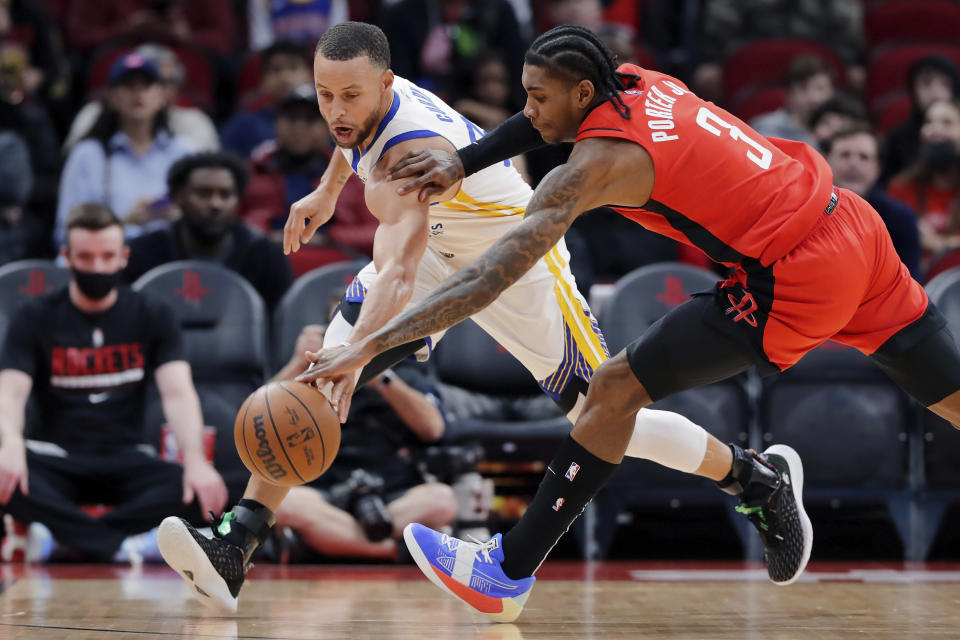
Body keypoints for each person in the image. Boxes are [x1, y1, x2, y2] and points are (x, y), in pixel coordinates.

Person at [300, 24, 960, 622]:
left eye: (538, 97)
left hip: (794, 273)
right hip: (851, 224)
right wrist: (464, 162)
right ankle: (758, 480)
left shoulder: (597, 166)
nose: (526, 111)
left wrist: (369, 346)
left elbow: (487, 279)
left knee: (610, 393)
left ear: (582, 93)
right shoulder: (638, 81)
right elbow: (541, 127)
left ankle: (507, 569)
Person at [155, 21, 735, 614]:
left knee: (604, 418)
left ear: (383, 84)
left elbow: (400, 273)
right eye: (324, 94)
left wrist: (361, 356)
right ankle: (239, 542)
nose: (335, 110)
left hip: (517, 260)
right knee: (319, 372)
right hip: (441, 245)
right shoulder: (367, 95)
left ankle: (748, 474)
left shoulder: (404, 159)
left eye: (348, 96)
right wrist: (329, 192)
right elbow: (349, 136)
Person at [0, 203, 229, 562]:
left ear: (123, 257)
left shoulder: (152, 313)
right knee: (3, 473)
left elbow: (178, 392)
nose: (97, 267)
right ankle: (128, 546)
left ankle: (62, 540)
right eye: (86, 257)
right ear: (67, 257)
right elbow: (11, 391)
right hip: (58, 458)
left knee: (204, 489)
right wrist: (10, 443)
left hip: (127, 457)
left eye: (107, 256)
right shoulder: (35, 317)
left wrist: (196, 460)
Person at [272, 324, 457, 561]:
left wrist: (379, 374)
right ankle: (394, 551)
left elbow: (434, 429)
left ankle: (325, 543)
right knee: (284, 503)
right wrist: (298, 363)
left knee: (443, 500)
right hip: (327, 491)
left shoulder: (408, 365)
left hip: (391, 493)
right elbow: (259, 421)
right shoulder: (313, 367)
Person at [54, 53, 196, 247]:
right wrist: (126, 222)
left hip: (172, 260)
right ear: (111, 96)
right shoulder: (87, 155)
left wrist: (183, 217)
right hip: (109, 262)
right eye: (128, 85)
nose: (138, 93)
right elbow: (65, 234)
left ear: (162, 96)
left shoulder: (184, 152)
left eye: (146, 85)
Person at [123, 151, 294, 311]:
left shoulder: (266, 256)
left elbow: (283, 327)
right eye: (203, 194)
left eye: (225, 195)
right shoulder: (142, 253)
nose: (215, 204)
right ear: (178, 197)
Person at [823, 125, 921, 280]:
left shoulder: (901, 218)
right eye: (844, 155)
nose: (853, 163)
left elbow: (910, 283)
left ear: (878, 169)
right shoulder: (808, 210)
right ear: (826, 161)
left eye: (864, 157)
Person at [888, 99, 960, 264]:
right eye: (929, 122)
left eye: (947, 122)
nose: (935, 129)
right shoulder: (901, 188)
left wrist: (941, 244)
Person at [880, 56, 960, 187]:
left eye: (944, 84)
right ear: (913, 90)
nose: (935, 91)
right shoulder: (899, 137)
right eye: (926, 83)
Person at [749, 54, 834, 148]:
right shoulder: (766, 126)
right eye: (803, 88)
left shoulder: (839, 127)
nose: (813, 97)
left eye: (820, 88)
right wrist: (813, 139)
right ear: (787, 93)